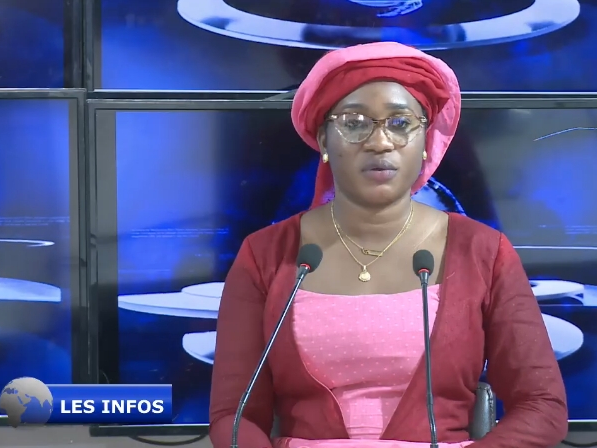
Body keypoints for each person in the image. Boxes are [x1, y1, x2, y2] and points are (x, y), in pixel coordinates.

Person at [209, 42, 568, 448]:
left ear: (426, 140)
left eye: (400, 123)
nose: (380, 142)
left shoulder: (483, 252)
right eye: (354, 122)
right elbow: (234, 417)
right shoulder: (264, 255)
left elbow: (542, 406)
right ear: (323, 140)